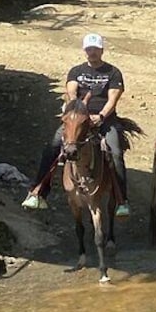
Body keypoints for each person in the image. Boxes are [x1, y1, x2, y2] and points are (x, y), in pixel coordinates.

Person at [21, 33, 132, 217]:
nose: (92, 52)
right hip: (78, 119)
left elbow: (113, 98)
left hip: (104, 119)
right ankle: (38, 192)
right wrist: (77, 109)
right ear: (84, 51)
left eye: (95, 49)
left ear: (102, 50)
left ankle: (121, 200)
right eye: (89, 49)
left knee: (116, 152)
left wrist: (101, 116)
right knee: (53, 147)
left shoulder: (113, 73)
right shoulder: (76, 71)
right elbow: (71, 92)